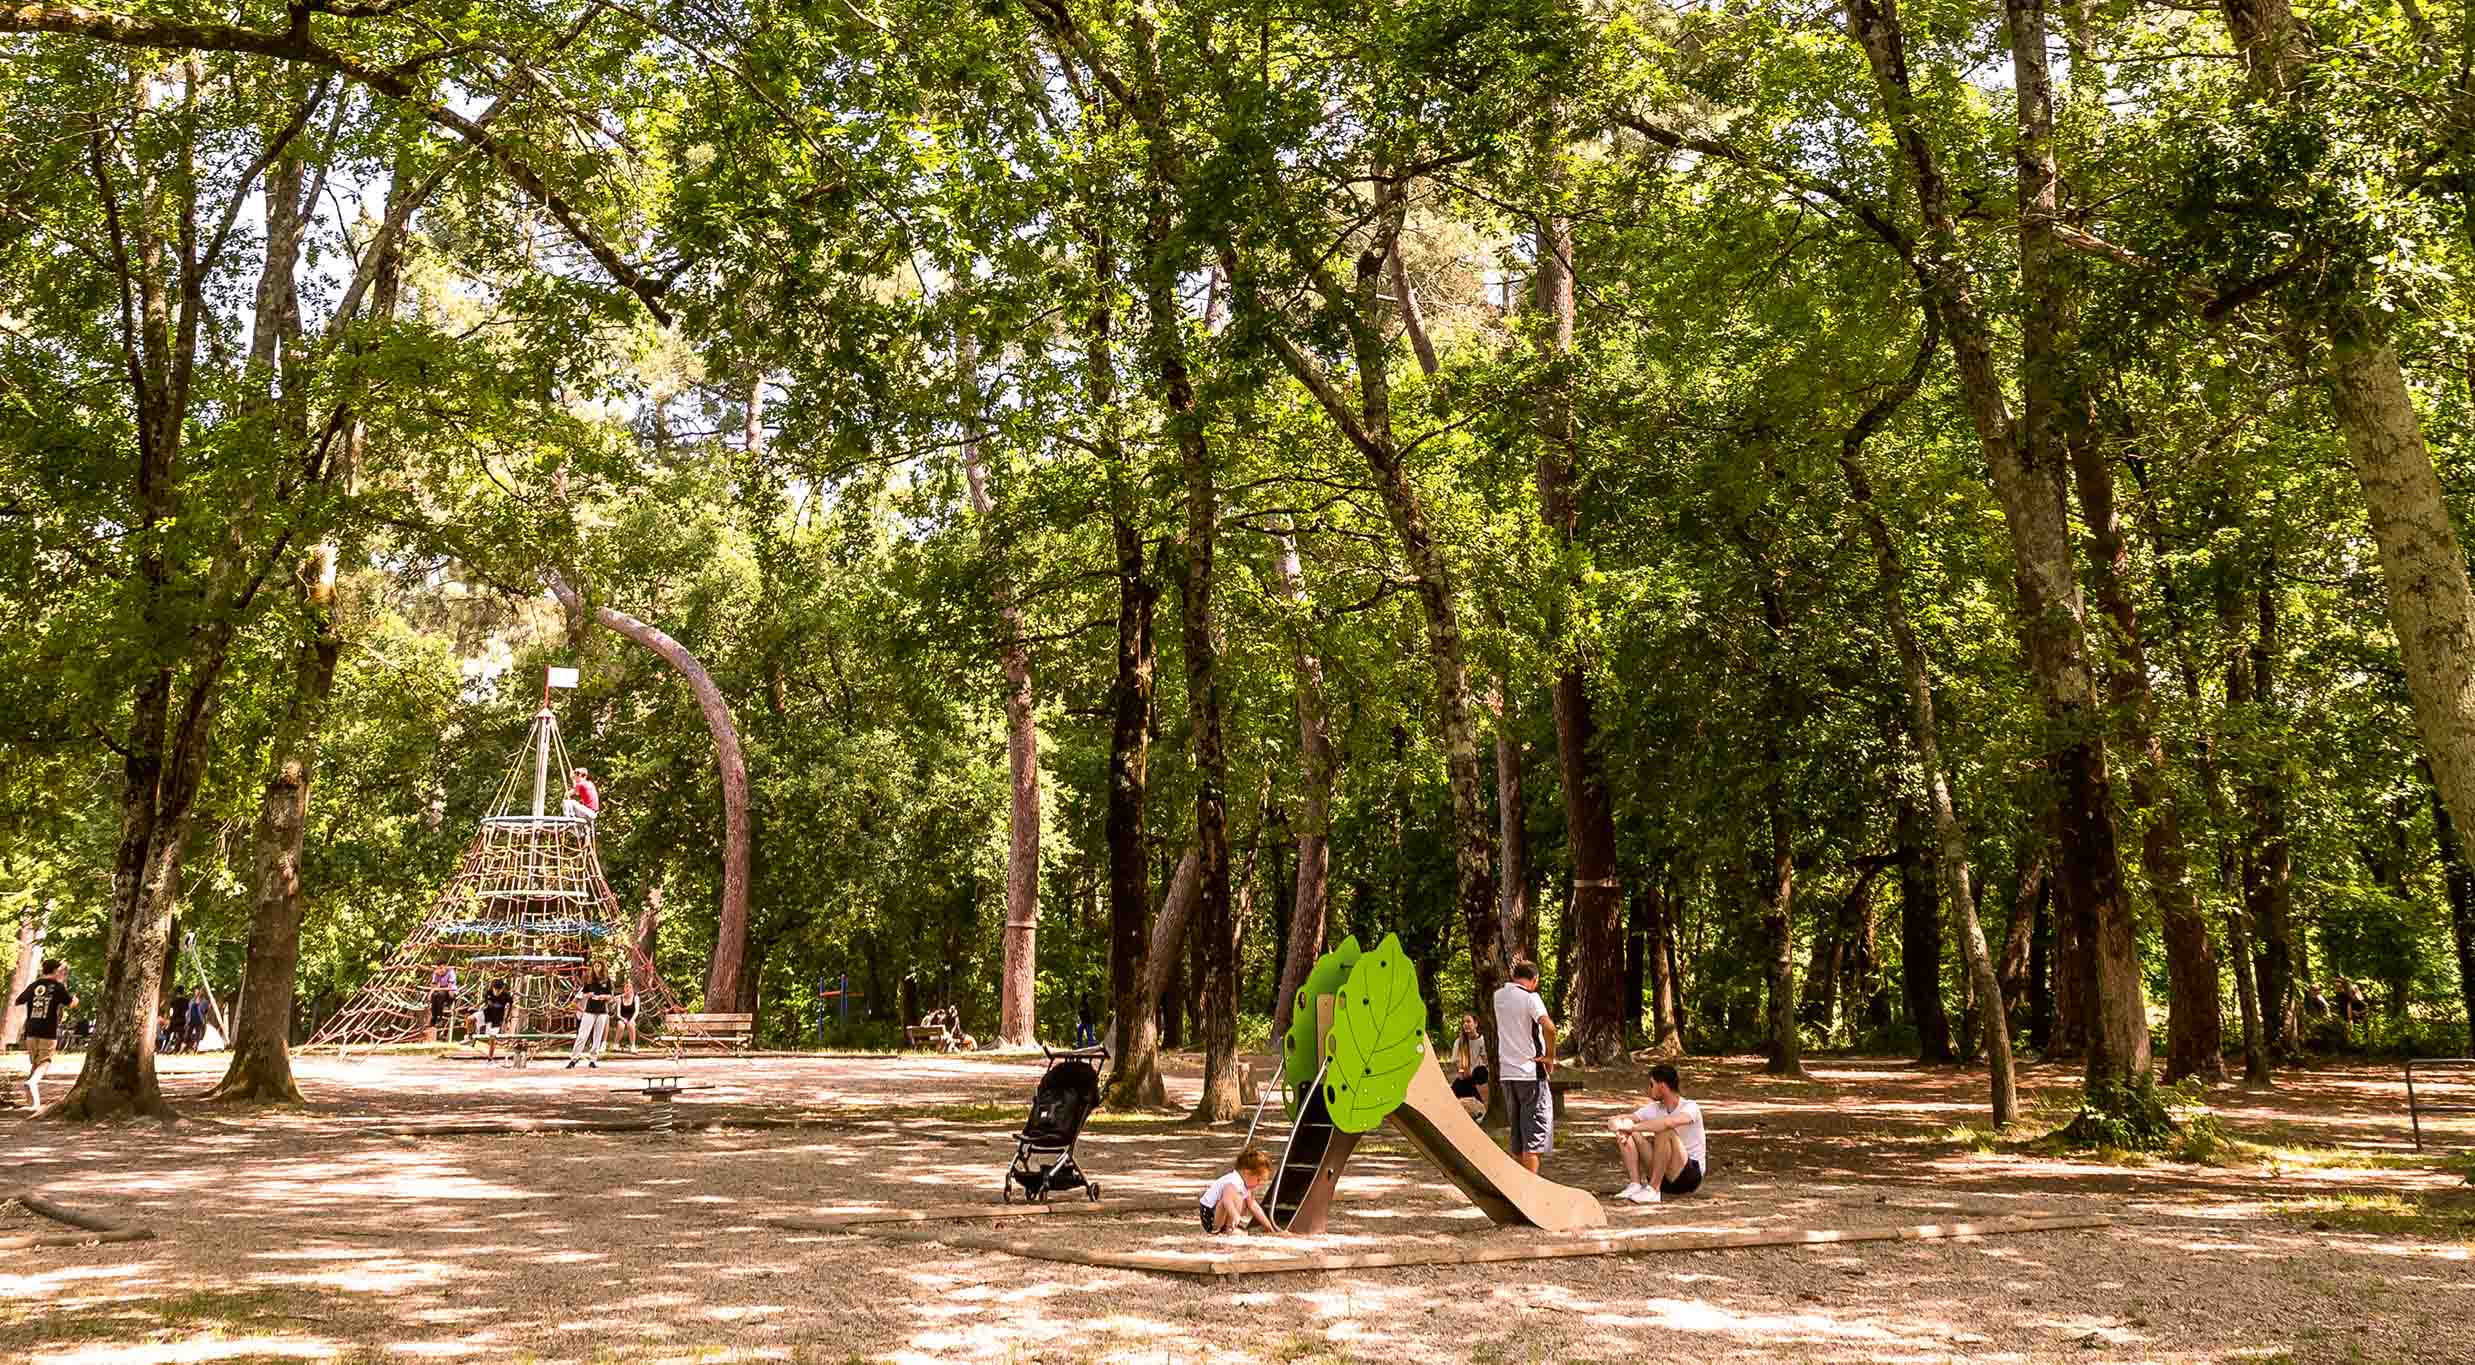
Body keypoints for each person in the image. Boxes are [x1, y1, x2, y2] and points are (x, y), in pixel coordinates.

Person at [1493, 960, 1558, 1174]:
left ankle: (1517, 1185)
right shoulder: (1531, 998)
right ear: (1535, 979)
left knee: (1517, 1135)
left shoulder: (1498, 996)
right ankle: (1530, 1189)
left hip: (1507, 1074)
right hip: (1530, 1072)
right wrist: (1549, 1056)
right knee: (1534, 1136)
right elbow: (1549, 1027)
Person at [1610, 1062, 1707, 1204]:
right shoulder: (1654, 1108)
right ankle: (1635, 1184)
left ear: (1662, 1086)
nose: (1648, 1089)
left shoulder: (1690, 1107)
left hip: (1688, 1176)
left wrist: (1632, 1127)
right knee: (1627, 1130)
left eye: (1651, 1084)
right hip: (1663, 1176)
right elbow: (1621, 1119)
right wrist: (1617, 1126)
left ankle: (1654, 1190)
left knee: (1664, 1129)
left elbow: (1668, 1123)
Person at [14, 960, 76, 1110]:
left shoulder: (33, 986)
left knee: (35, 1063)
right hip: (47, 1031)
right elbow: (71, 1004)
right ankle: (32, 1082)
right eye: (59, 971)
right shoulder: (57, 987)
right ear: (55, 971)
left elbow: (18, 1001)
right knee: (45, 1061)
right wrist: (75, 999)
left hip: (31, 1030)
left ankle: (33, 1103)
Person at [1199, 1149, 1288, 1236]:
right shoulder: (1233, 1181)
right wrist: (1235, 1215)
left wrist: (1270, 1229)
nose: (1259, 1184)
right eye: (1258, 1180)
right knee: (1236, 1196)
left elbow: (1254, 1207)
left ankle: (1228, 1227)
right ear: (1247, 1173)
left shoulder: (1244, 1184)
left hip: (1218, 1213)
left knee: (1247, 1200)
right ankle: (1228, 1229)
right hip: (1210, 1215)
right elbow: (1226, 1200)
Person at [567, 968, 612, 1068]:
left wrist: (603, 997)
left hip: (601, 1012)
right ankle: (574, 1058)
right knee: (582, 1036)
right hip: (587, 1013)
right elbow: (575, 1002)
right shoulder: (586, 986)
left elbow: (610, 997)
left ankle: (593, 1060)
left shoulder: (606, 983)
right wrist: (586, 998)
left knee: (597, 1036)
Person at [1449, 1014, 1491, 1105]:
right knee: (1460, 1086)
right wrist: (1462, 1071)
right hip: (1464, 1077)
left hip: (1476, 1076)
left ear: (1475, 1024)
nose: (1465, 1024)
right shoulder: (1459, 1042)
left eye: (1468, 1021)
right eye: (1464, 1022)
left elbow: (1486, 1060)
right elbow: (1456, 1062)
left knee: (1479, 1072)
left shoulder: (1482, 1041)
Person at [478, 979, 514, 1059]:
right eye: (495, 989)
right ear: (493, 988)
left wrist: (507, 1020)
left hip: (498, 1018)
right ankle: (470, 1037)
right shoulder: (489, 993)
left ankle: (490, 1056)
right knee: (471, 1018)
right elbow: (485, 1002)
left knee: (492, 1037)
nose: (497, 991)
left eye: (499, 990)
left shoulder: (507, 996)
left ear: (502, 988)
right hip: (487, 1015)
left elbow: (510, 1008)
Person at [424, 965, 458, 1044]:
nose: (441, 970)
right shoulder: (436, 973)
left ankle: (440, 1018)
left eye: (442, 968)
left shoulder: (451, 972)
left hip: (450, 993)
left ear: (445, 967)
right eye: (438, 968)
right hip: (440, 991)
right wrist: (431, 993)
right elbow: (433, 986)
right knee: (434, 995)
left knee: (440, 995)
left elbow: (449, 987)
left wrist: (436, 989)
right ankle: (434, 1017)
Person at [614, 978, 640, 1052]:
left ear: (632, 988)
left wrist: (632, 1019)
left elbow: (637, 1011)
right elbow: (618, 1014)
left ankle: (632, 1045)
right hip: (622, 1017)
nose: (628, 989)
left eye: (629, 987)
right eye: (626, 987)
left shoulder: (636, 997)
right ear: (624, 988)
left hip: (632, 1017)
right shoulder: (620, 998)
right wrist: (623, 1019)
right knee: (621, 1025)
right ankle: (616, 1043)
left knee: (631, 1025)